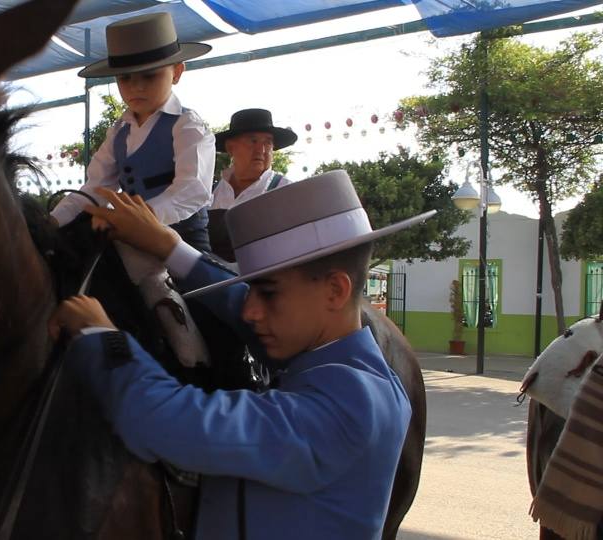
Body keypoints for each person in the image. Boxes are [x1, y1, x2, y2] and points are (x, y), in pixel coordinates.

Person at [49, 170, 436, 539]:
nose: (251, 310)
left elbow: (166, 421)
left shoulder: (351, 407)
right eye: (251, 291)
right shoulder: (338, 360)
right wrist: (168, 246)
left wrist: (100, 336)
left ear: (334, 290)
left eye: (267, 294)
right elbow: (237, 301)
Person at [49, 12, 215, 367]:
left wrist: (139, 219)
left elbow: (193, 190)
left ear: (177, 72)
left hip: (178, 237)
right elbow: (94, 186)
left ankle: (191, 355)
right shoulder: (119, 130)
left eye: (149, 75)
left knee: (147, 272)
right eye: (125, 78)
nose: (135, 87)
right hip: (127, 232)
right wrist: (50, 223)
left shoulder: (188, 126)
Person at [209, 108, 297, 262]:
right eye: (253, 141)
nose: (261, 150)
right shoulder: (209, 194)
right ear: (231, 147)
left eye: (268, 142)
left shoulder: (287, 193)